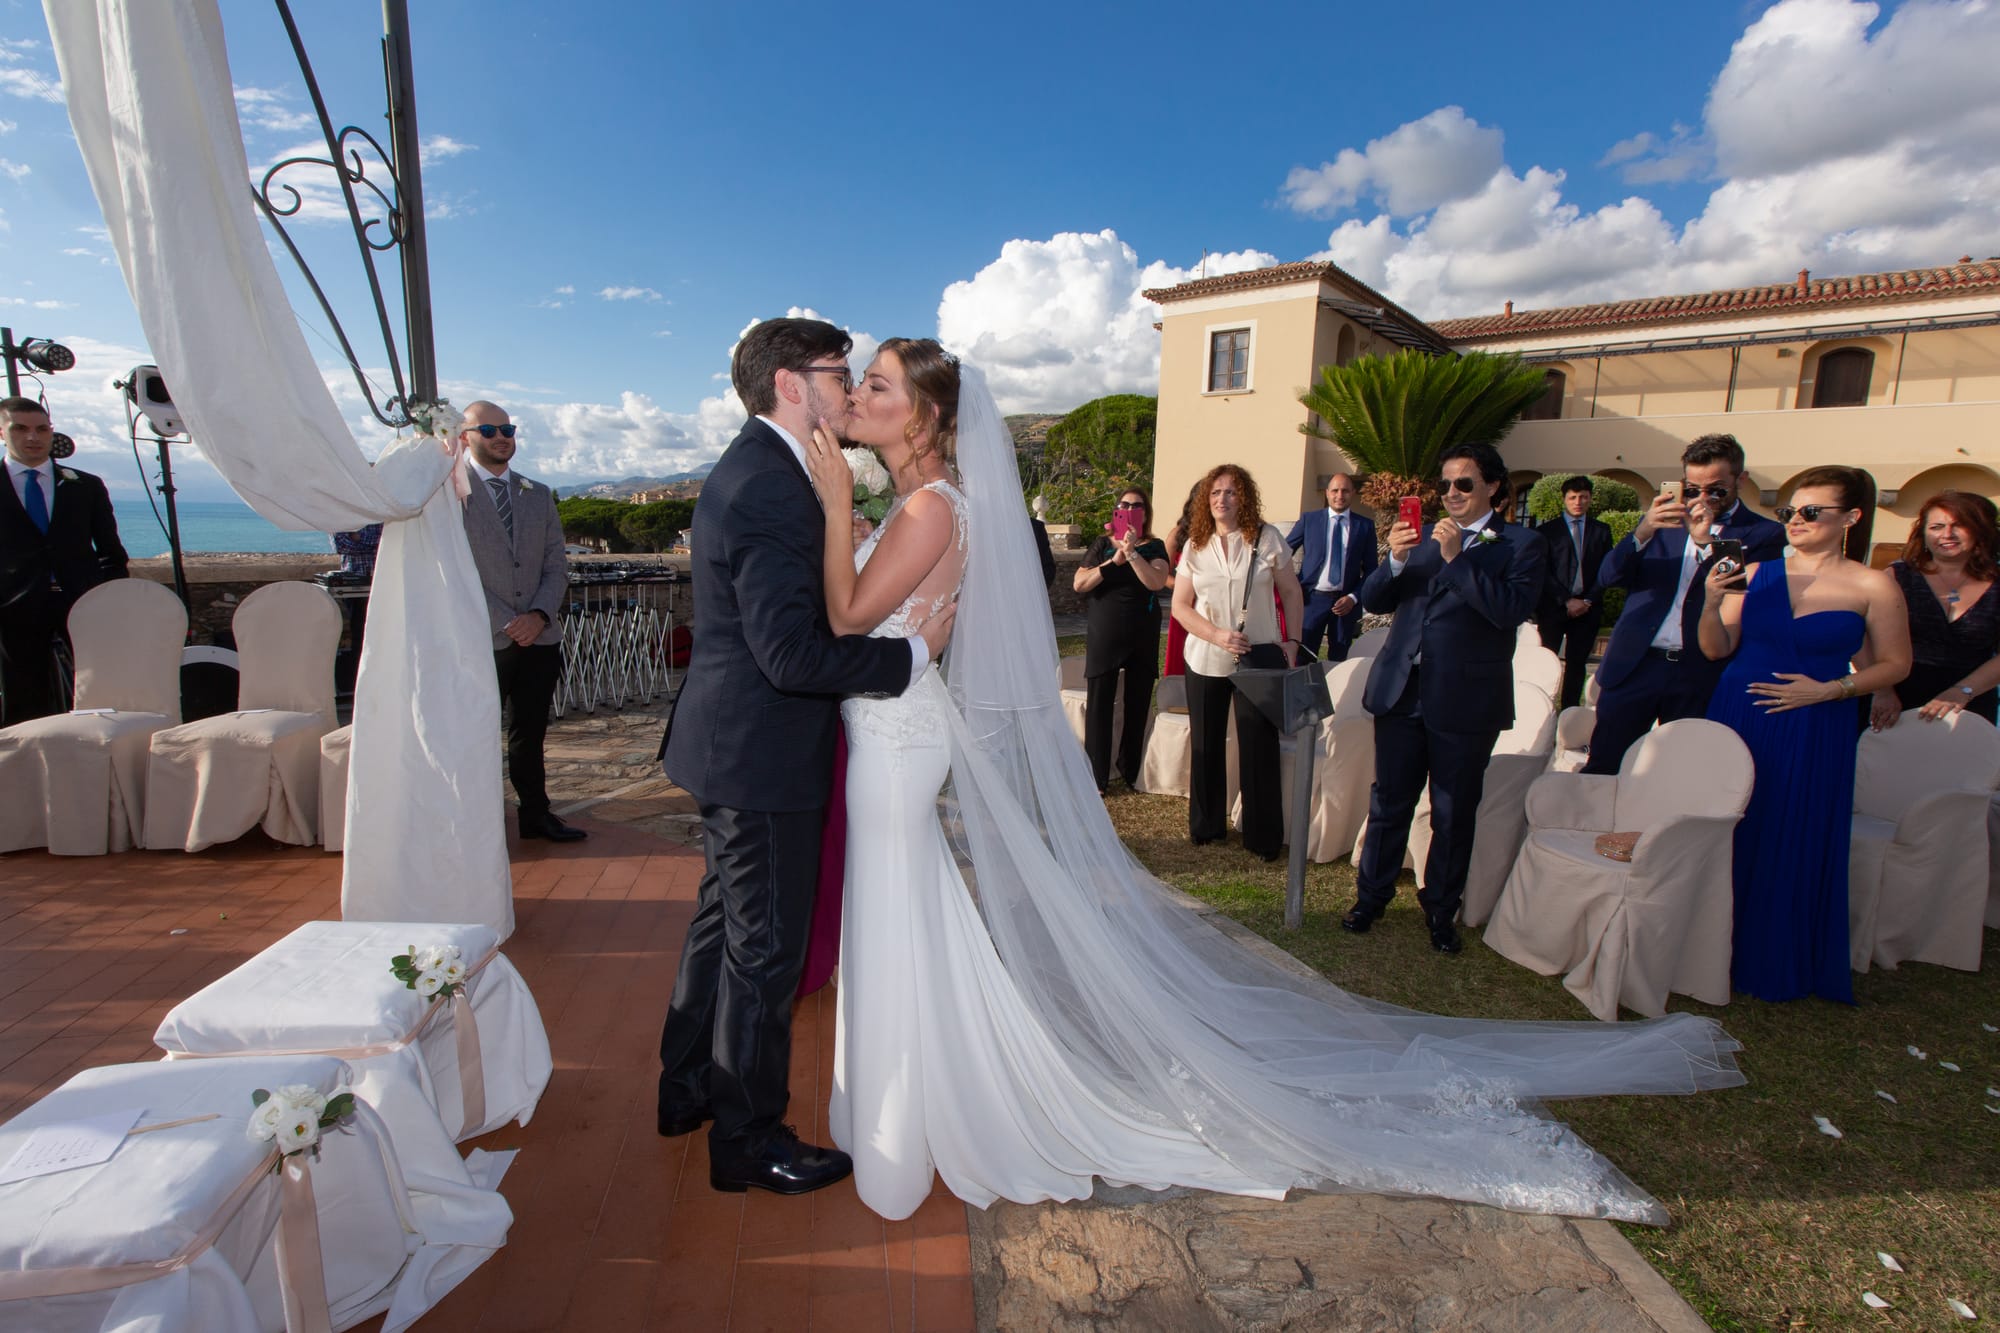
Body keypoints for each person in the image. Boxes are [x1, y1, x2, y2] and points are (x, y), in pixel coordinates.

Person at [795, 340, 1742, 1226]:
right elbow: (925, 627)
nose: (861, 397)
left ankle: (910, 1120)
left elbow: (845, 613)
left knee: (900, 917)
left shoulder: (928, 510)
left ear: (923, 417)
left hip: (896, 738)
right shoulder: (932, 507)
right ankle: (906, 1112)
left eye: (879, 385)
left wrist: (839, 508)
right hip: (896, 728)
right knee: (904, 919)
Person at [655, 319, 954, 1198]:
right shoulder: (772, 488)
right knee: (765, 952)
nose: (850, 385)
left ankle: (686, 1090)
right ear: (793, 383)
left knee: (721, 928)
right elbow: (793, 656)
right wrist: (910, 659)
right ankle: (747, 1138)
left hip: (731, 744)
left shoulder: (769, 470)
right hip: (761, 754)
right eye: (839, 372)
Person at [1700, 465, 1909, 1004]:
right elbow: (1716, 647)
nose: (1795, 520)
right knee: (1731, 825)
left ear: (1851, 518)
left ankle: (1772, 955)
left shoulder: (1873, 584)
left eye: (1811, 511)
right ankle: (1704, 950)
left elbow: (1895, 665)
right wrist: (1706, 601)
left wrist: (1831, 690)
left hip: (1815, 725)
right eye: (1789, 511)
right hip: (1739, 715)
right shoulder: (1759, 571)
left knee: (1792, 830)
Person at [1341, 443, 1546, 954]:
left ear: (1493, 487)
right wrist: (1397, 558)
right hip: (1402, 692)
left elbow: (1507, 611)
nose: (1451, 493)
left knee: (1453, 811)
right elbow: (1375, 599)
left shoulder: (1520, 545)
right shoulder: (1425, 539)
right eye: (1446, 484)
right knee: (1389, 801)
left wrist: (1457, 560)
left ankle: (1440, 910)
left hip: (1466, 700)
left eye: (1464, 484)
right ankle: (1371, 897)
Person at [1585, 435, 1787, 775]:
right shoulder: (1664, 522)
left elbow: (1737, 590)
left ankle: (1655, 831)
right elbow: (1609, 576)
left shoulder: (1763, 534)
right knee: (1605, 765)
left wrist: (1706, 541)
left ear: (1741, 480)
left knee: (1679, 773)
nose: (1703, 498)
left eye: (1716, 490)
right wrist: (1644, 530)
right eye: (1693, 489)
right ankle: (1595, 830)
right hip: (1636, 663)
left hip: (1699, 671)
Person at [458, 401, 585, 845]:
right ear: (465, 436)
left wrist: (538, 615)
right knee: (473, 734)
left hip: (540, 637)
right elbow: (453, 569)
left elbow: (556, 563)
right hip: (482, 639)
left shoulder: (538, 493)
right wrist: (507, 621)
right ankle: (476, 826)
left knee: (529, 734)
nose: (501, 436)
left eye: (507, 428)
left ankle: (536, 816)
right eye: (489, 428)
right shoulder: (450, 493)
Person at [1170, 464, 1303, 859]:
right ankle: (1207, 827)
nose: (1221, 499)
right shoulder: (1196, 544)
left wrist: (1292, 643)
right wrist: (1216, 635)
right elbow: (1180, 606)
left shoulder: (1268, 538)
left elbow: (1292, 593)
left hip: (1258, 657)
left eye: (1230, 492)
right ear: (1204, 501)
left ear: (1243, 497)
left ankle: (1262, 837)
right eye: (1214, 493)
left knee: (1258, 746)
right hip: (1206, 656)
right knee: (1207, 744)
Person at [0, 396, 127, 724]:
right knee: (23, 701)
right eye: (20, 429)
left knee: (98, 695)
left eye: (42, 429)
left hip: (81, 605)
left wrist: (106, 599)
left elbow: (111, 553)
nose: (33, 437)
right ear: (3, 432)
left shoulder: (85, 486)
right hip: (14, 608)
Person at [1867, 491, 2000, 728]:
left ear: (1980, 531)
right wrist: (1882, 691)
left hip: (1971, 702)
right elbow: (1865, 638)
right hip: (1893, 702)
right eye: (1937, 526)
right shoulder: (1896, 577)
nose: (1946, 534)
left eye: (1958, 526)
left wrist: (1962, 691)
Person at [1073, 487, 1170, 792]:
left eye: (1137, 505)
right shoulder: (1102, 544)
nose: (1129, 509)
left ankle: (1129, 771)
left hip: (1142, 631)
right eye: (1124, 505)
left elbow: (1155, 581)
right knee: (1100, 702)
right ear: (1116, 510)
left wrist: (1132, 554)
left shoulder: (1155, 546)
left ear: (1146, 512)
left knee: (1138, 702)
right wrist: (1113, 561)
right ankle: (1096, 776)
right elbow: (1080, 583)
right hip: (1106, 630)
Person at [1534, 476, 1613, 709]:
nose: (1578, 501)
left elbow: (1606, 570)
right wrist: (1566, 600)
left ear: (1590, 499)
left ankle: (1568, 712)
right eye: (1573, 497)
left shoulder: (1601, 531)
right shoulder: (1547, 532)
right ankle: (1543, 709)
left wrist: (1587, 600)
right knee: (1547, 662)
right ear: (1564, 499)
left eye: (1583, 497)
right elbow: (1542, 570)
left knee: (1577, 664)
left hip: (1588, 609)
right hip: (1554, 608)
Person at [1159, 479, 1203, 678]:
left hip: (1212, 608)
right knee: (1181, 660)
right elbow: (1162, 575)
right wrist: (1182, 585)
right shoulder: (1178, 534)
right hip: (1185, 606)